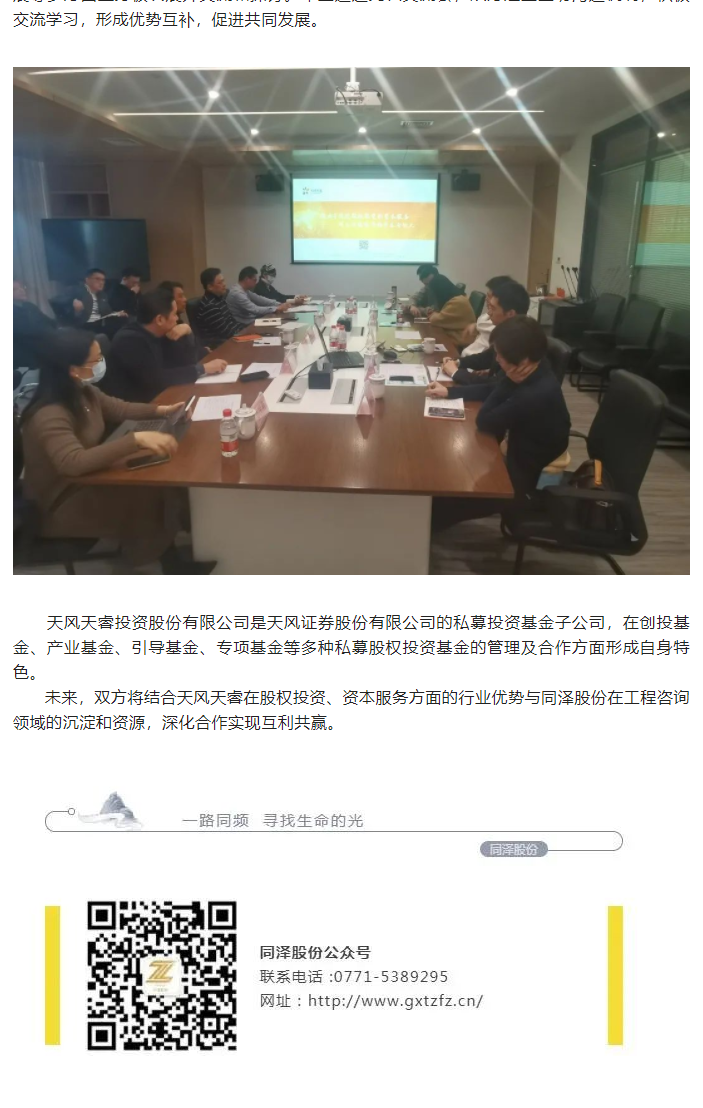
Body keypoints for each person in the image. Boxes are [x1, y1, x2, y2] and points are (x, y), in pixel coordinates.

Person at [19, 329, 215, 573]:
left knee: (162, 477)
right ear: (73, 369)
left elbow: (119, 409)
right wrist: (135, 440)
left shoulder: (82, 390)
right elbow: (73, 462)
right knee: (147, 494)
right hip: (60, 502)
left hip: (86, 479)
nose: (101, 364)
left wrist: (162, 410)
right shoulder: (49, 413)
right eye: (95, 360)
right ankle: (160, 561)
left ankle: (184, 542)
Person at [428, 317, 570, 517]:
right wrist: (450, 392)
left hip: (522, 472)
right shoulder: (538, 367)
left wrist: (508, 381)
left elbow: (485, 420)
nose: (496, 360)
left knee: (442, 505)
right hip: (520, 448)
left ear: (523, 361)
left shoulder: (531, 395)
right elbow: (493, 389)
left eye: (500, 356)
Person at [103, 288, 226, 404]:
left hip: (159, 395)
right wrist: (202, 369)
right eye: (174, 314)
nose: (177, 319)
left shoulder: (158, 331)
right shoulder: (129, 341)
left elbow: (186, 362)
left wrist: (187, 333)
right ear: (160, 320)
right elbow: (156, 379)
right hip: (136, 406)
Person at [431, 279, 531, 401]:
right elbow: (488, 357)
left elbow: (495, 387)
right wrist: (458, 362)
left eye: (493, 308)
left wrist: (455, 373)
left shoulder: (520, 342)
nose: (488, 313)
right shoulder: (508, 331)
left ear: (510, 314)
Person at [52, 267, 127, 337]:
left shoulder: (102, 295)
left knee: (123, 320)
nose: (101, 282)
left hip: (99, 325)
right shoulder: (76, 290)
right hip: (82, 326)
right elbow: (55, 302)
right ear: (87, 280)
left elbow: (106, 312)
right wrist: (75, 310)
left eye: (103, 280)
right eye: (97, 279)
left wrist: (116, 314)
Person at [226, 266, 302, 329]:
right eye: (254, 280)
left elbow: (260, 299)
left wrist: (279, 304)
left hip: (252, 320)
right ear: (246, 279)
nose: (256, 282)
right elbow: (254, 309)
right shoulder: (237, 293)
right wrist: (276, 308)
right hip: (243, 325)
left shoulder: (245, 290)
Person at [13, 279, 56, 383]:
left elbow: (48, 321)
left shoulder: (29, 306)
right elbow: (25, 331)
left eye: (22, 287)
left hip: (42, 343)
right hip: (24, 350)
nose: (21, 290)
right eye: (15, 289)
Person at [460, 275, 512, 356]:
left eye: (490, 297)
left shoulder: (500, 329)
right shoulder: (489, 315)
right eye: (487, 295)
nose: (487, 299)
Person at [195, 267, 243, 348]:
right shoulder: (209, 306)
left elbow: (232, 321)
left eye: (223, 280)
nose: (224, 284)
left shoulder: (219, 299)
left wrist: (245, 329)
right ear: (210, 287)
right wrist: (245, 333)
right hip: (220, 346)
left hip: (230, 340)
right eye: (220, 282)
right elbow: (226, 333)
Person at [425, 274, 476, 345]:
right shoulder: (457, 298)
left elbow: (435, 320)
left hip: (461, 341)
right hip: (459, 336)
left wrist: (433, 314)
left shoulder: (457, 302)